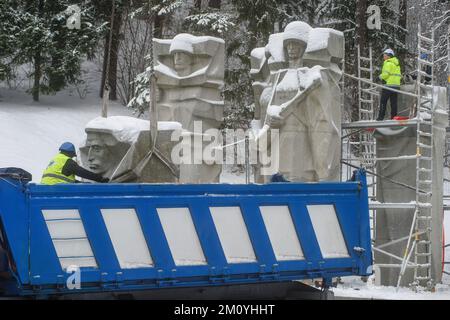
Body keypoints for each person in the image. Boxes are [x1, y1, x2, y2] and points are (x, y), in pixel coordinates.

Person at [41, 142, 109, 185]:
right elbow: (83, 173)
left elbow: (61, 178)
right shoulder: (67, 161)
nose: (72, 157)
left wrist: (81, 183)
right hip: (58, 188)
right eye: (72, 156)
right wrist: (100, 179)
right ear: (70, 153)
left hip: (45, 187)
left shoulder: (55, 160)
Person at [376, 48, 402, 121]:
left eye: (385, 55)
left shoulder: (388, 63)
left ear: (389, 56)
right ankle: (394, 117)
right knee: (393, 103)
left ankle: (380, 117)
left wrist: (379, 77)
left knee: (383, 101)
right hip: (396, 86)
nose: (383, 57)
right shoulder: (397, 65)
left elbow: (386, 74)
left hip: (388, 86)